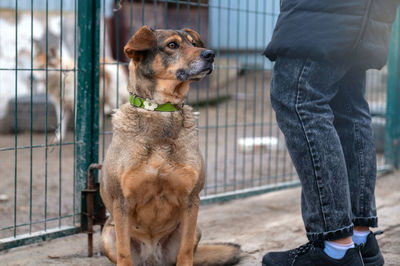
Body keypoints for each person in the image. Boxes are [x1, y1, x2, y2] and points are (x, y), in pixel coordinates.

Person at [262, 1, 400, 266]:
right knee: (349, 109)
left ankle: (334, 248)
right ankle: (360, 240)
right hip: (369, 12)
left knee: (299, 101)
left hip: (323, 11)